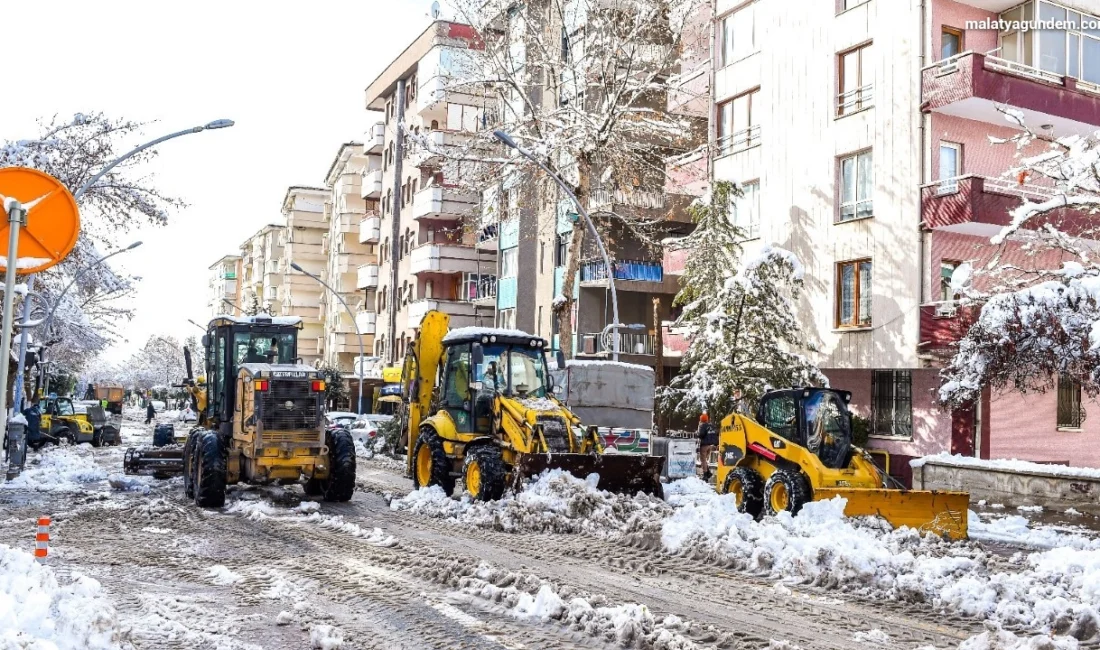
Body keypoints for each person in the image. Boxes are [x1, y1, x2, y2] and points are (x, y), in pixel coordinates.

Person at [697, 412, 719, 482]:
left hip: (704, 445)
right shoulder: (711, 426)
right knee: (705, 460)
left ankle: (705, 474)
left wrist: (698, 433)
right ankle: (708, 473)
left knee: (703, 460)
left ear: (701, 420)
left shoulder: (703, 426)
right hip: (710, 445)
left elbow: (701, 435)